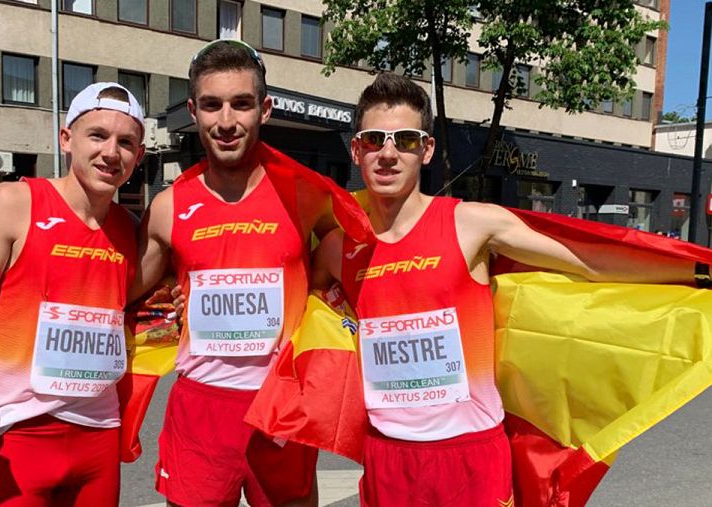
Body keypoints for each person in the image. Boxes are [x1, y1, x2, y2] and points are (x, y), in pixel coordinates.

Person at [311, 73, 696, 506]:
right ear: (356, 149)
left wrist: (694, 274)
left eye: (406, 139)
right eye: (374, 139)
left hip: (470, 455)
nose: (388, 153)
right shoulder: (338, 248)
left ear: (428, 150)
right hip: (386, 456)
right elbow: (308, 310)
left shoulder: (472, 224)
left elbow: (588, 262)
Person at [0, 82, 145, 506]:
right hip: (16, 431)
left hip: (99, 434)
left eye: (125, 142)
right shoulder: (14, 202)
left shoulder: (130, 230)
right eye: (98, 135)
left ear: (139, 156)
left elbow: (134, 312)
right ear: (66, 139)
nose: (111, 152)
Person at [132, 39, 337, 506]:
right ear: (193, 110)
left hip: (281, 404)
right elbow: (117, 289)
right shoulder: (168, 207)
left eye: (241, 104)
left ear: (264, 109)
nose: (226, 121)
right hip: (201, 406)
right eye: (211, 105)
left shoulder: (305, 194)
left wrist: (317, 299)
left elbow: (354, 258)